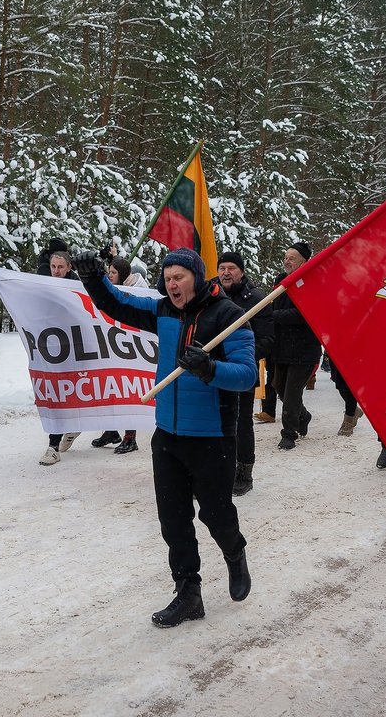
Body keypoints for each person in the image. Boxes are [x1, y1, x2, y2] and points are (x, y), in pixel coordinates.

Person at [74, 246, 256, 628]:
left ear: (197, 278)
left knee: (216, 515)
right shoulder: (163, 311)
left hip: (212, 437)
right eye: (168, 277)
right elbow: (117, 303)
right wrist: (93, 277)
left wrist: (209, 368)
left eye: (180, 277)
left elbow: (246, 375)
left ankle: (234, 553)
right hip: (168, 435)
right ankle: (189, 593)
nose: (172, 284)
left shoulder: (228, 315)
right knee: (173, 521)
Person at [216, 250, 272, 496]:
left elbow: (267, 339)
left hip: (242, 373)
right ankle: (215, 472)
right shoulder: (210, 294)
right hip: (212, 371)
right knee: (212, 422)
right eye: (222, 268)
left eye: (231, 268)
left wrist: (241, 357)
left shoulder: (256, 299)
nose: (226, 273)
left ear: (241, 272)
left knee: (241, 423)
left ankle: (244, 471)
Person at [90, 257, 149, 454]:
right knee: (111, 389)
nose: (110, 275)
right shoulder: (109, 293)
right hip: (111, 346)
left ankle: (130, 438)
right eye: (109, 272)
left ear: (122, 275)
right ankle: (110, 431)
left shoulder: (135, 292)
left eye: (113, 273)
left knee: (128, 392)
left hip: (129, 350)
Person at [272, 242, 322, 449]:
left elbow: (304, 314)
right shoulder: (280, 281)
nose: (287, 261)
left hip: (304, 348)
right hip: (282, 346)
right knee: (279, 387)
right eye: (285, 257)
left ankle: (289, 434)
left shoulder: (312, 282)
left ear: (303, 262)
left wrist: (272, 316)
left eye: (292, 258)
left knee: (292, 394)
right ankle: (303, 415)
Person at [38, 250, 82, 465]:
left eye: (60, 267)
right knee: (55, 393)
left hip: (74, 347)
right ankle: (56, 443)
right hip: (52, 347)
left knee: (70, 392)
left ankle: (63, 436)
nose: (56, 271)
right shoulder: (44, 283)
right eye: (53, 267)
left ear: (69, 267)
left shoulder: (77, 287)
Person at [330, 361, 363, 436]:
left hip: (351, 357)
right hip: (335, 356)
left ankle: (348, 421)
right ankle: (355, 410)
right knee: (337, 381)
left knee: (348, 385)